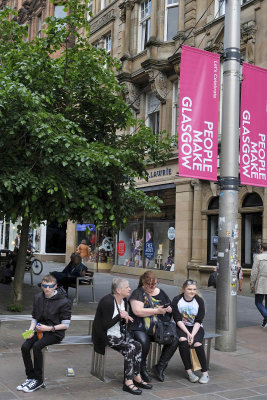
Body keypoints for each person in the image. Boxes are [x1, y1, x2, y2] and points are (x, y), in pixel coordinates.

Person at [92, 278, 152, 395]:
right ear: (118, 290)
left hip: (118, 334)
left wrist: (125, 319)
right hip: (105, 335)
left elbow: (120, 321)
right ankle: (128, 382)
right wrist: (120, 316)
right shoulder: (107, 301)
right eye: (127, 287)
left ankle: (136, 377)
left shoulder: (124, 300)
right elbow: (104, 325)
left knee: (137, 345)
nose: (130, 289)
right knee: (130, 348)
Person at [18, 274, 71, 393]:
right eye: (45, 286)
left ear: (55, 286)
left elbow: (65, 325)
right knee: (25, 347)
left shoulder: (64, 301)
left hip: (55, 333)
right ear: (41, 286)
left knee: (37, 347)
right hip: (40, 330)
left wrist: (49, 328)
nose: (47, 289)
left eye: (50, 286)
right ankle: (30, 377)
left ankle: (38, 380)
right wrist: (31, 330)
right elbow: (34, 318)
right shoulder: (38, 297)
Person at [129, 271, 179, 383]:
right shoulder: (138, 292)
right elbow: (137, 311)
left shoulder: (161, 292)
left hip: (158, 328)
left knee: (175, 339)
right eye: (149, 285)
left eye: (155, 284)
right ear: (143, 282)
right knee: (143, 341)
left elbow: (169, 306)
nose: (152, 287)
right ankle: (141, 368)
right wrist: (157, 310)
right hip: (139, 327)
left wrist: (169, 309)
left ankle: (160, 366)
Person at [172, 279, 209, 384]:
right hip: (182, 327)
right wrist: (188, 334)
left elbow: (199, 320)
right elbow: (177, 319)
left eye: (194, 289)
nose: (192, 292)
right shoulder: (177, 300)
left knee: (197, 344)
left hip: (196, 327)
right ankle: (189, 372)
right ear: (183, 289)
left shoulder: (199, 301)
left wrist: (192, 334)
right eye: (189, 289)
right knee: (183, 340)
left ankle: (205, 373)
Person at [250, 243, 267, 328]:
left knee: (258, 302)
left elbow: (254, 272)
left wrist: (252, 284)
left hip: (261, 281)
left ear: (262, 249)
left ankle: (266, 318)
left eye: (260, 248)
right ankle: (265, 323)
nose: (259, 250)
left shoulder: (258, 257)